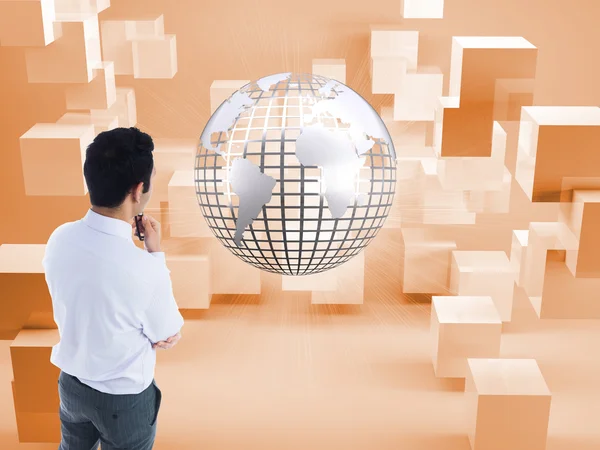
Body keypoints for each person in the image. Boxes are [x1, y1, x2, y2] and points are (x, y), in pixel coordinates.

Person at [42, 127, 185, 450]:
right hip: (123, 401)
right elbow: (168, 331)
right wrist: (155, 254)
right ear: (138, 190)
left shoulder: (59, 238)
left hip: (72, 387)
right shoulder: (145, 268)